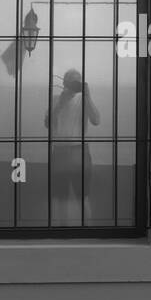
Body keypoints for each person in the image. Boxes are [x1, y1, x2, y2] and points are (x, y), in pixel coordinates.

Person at [45, 68, 100, 223]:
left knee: (83, 196)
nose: (75, 84)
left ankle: (86, 231)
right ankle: (63, 233)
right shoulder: (56, 99)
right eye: (72, 81)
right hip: (60, 151)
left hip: (79, 150)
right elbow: (47, 124)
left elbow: (96, 121)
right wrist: (61, 102)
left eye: (78, 81)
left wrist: (87, 95)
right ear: (64, 83)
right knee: (61, 197)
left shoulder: (84, 100)